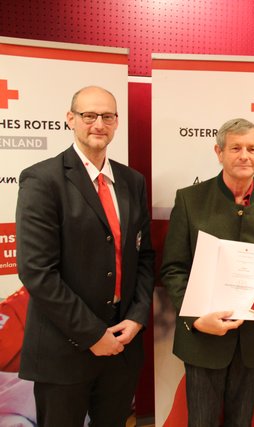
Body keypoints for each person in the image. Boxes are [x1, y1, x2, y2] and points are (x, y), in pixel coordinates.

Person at [15, 86, 155, 426]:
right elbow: (37, 273)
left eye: (107, 116)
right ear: (71, 119)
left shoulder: (131, 181)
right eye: (89, 115)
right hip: (64, 350)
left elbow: (145, 257)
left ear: (116, 122)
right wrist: (94, 335)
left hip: (121, 346)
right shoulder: (42, 179)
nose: (98, 124)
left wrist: (137, 317)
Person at [161, 118, 254, 426]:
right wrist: (195, 318)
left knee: (242, 422)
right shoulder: (189, 200)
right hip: (203, 339)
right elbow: (173, 269)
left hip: (253, 341)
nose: (244, 156)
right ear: (219, 152)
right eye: (235, 148)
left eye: (252, 149)